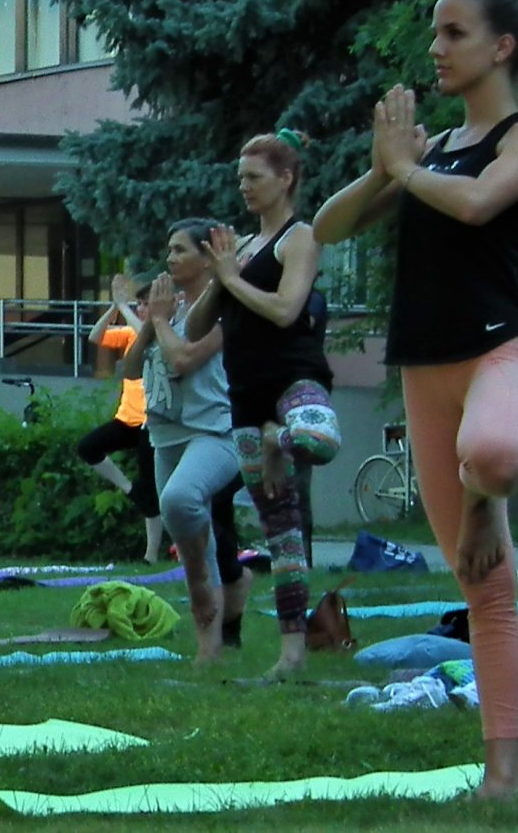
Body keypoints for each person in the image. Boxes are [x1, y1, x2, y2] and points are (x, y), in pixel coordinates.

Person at [315, 0, 518, 798]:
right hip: (426, 369)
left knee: (492, 455)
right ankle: (504, 771)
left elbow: (482, 203)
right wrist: (388, 168)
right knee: (484, 587)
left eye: (453, 33)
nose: (435, 47)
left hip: (505, 351)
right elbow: (327, 227)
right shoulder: (428, 154)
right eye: (433, 32)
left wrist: (408, 172)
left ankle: (487, 492)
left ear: (502, 47)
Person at [189, 128, 340, 678]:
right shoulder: (243, 250)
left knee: (318, 439)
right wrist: (219, 277)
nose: (244, 187)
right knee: (282, 532)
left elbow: (284, 309)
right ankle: (291, 654)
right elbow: (196, 325)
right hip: (246, 397)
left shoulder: (299, 237)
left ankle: (281, 438)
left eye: (253, 177)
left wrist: (233, 277)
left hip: (293, 382)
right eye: (240, 179)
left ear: (285, 179)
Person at [126, 220, 244, 666]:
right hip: (165, 433)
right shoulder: (168, 309)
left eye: (179, 250)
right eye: (168, 250)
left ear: (205, 256)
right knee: (197, 531)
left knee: (179, 500)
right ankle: (208, 653)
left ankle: (197, 579)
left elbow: (183, 359)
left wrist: (159, 320)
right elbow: (131, 370)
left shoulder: (223, 306)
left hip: (215, 430)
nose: (170, 258)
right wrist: (151, 324)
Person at [80, 273, 165, 565]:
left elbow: (147, 335)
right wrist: (114, 307)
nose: (140, 308)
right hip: (126, 419)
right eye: (138, 303)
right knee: (88, 447)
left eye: (144, 304)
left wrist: (125, 309)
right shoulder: (130, 333)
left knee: (152, 489)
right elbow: (95, 337)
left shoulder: (158, 332)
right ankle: (130, 490)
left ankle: (151, 555)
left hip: (150, 422)